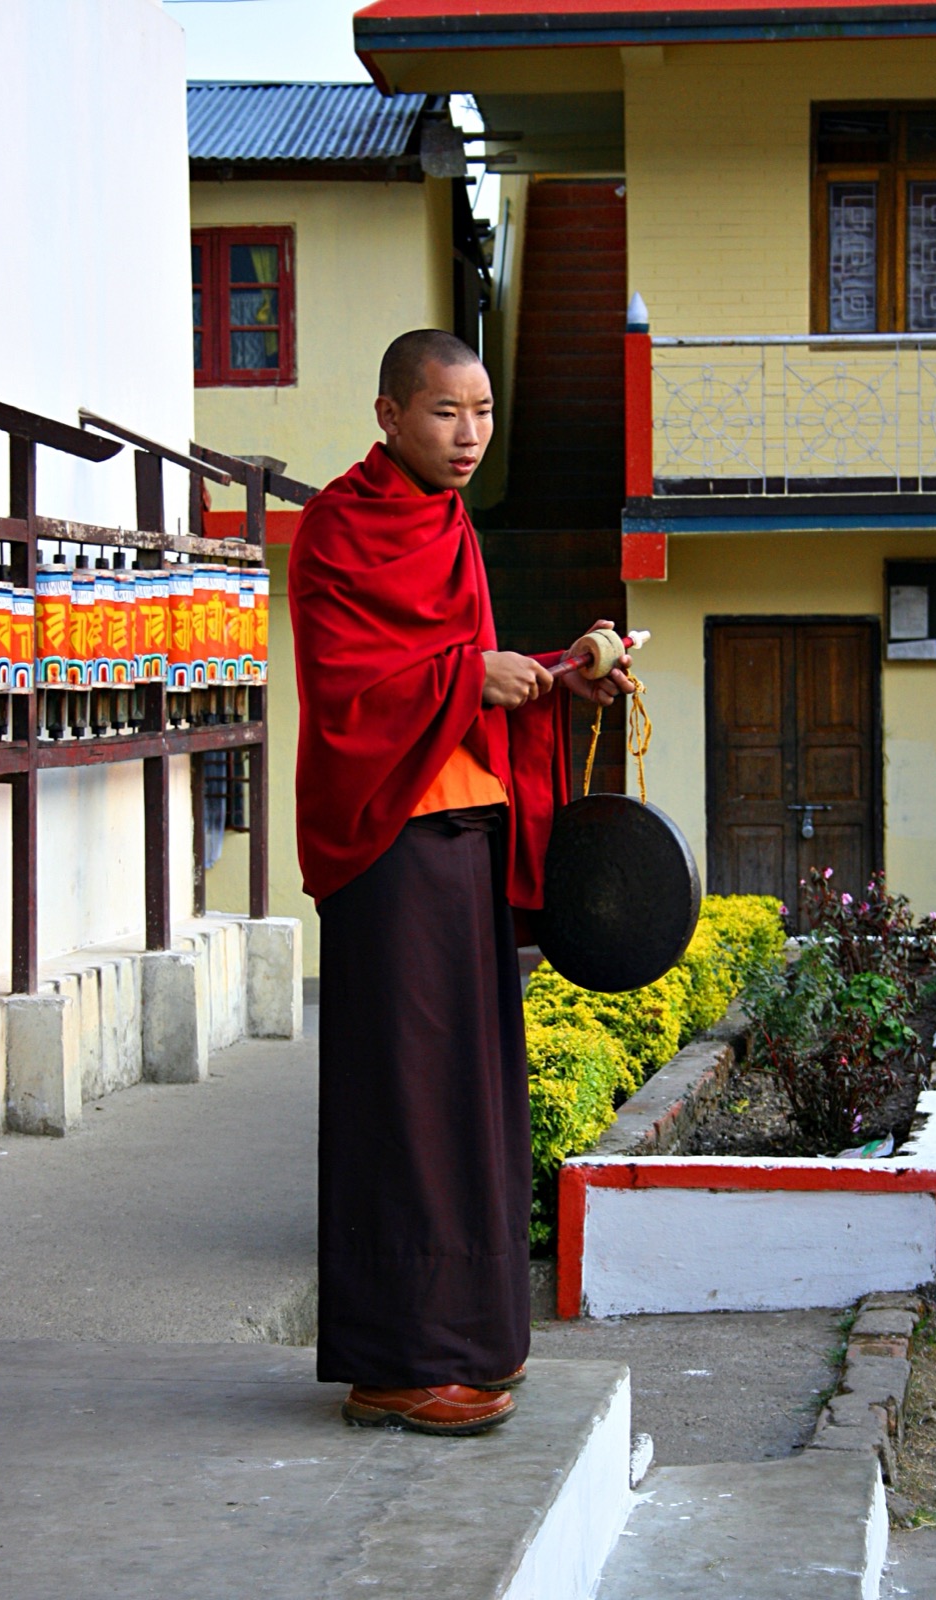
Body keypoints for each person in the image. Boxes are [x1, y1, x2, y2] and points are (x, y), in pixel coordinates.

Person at [288, 329, 633, 1437]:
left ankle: (475, 1340)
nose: (470, 434)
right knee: (408, 1098)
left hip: (464, 835)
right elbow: (351, 687)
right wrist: (466, 674)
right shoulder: (339, 528)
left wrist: (558, 672)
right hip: (387, 843)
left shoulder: (451, 530)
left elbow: (460, 679)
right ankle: (400, 1360)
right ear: (388, 414)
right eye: (446, 412)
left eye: (483, 412)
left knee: (472, 1093)